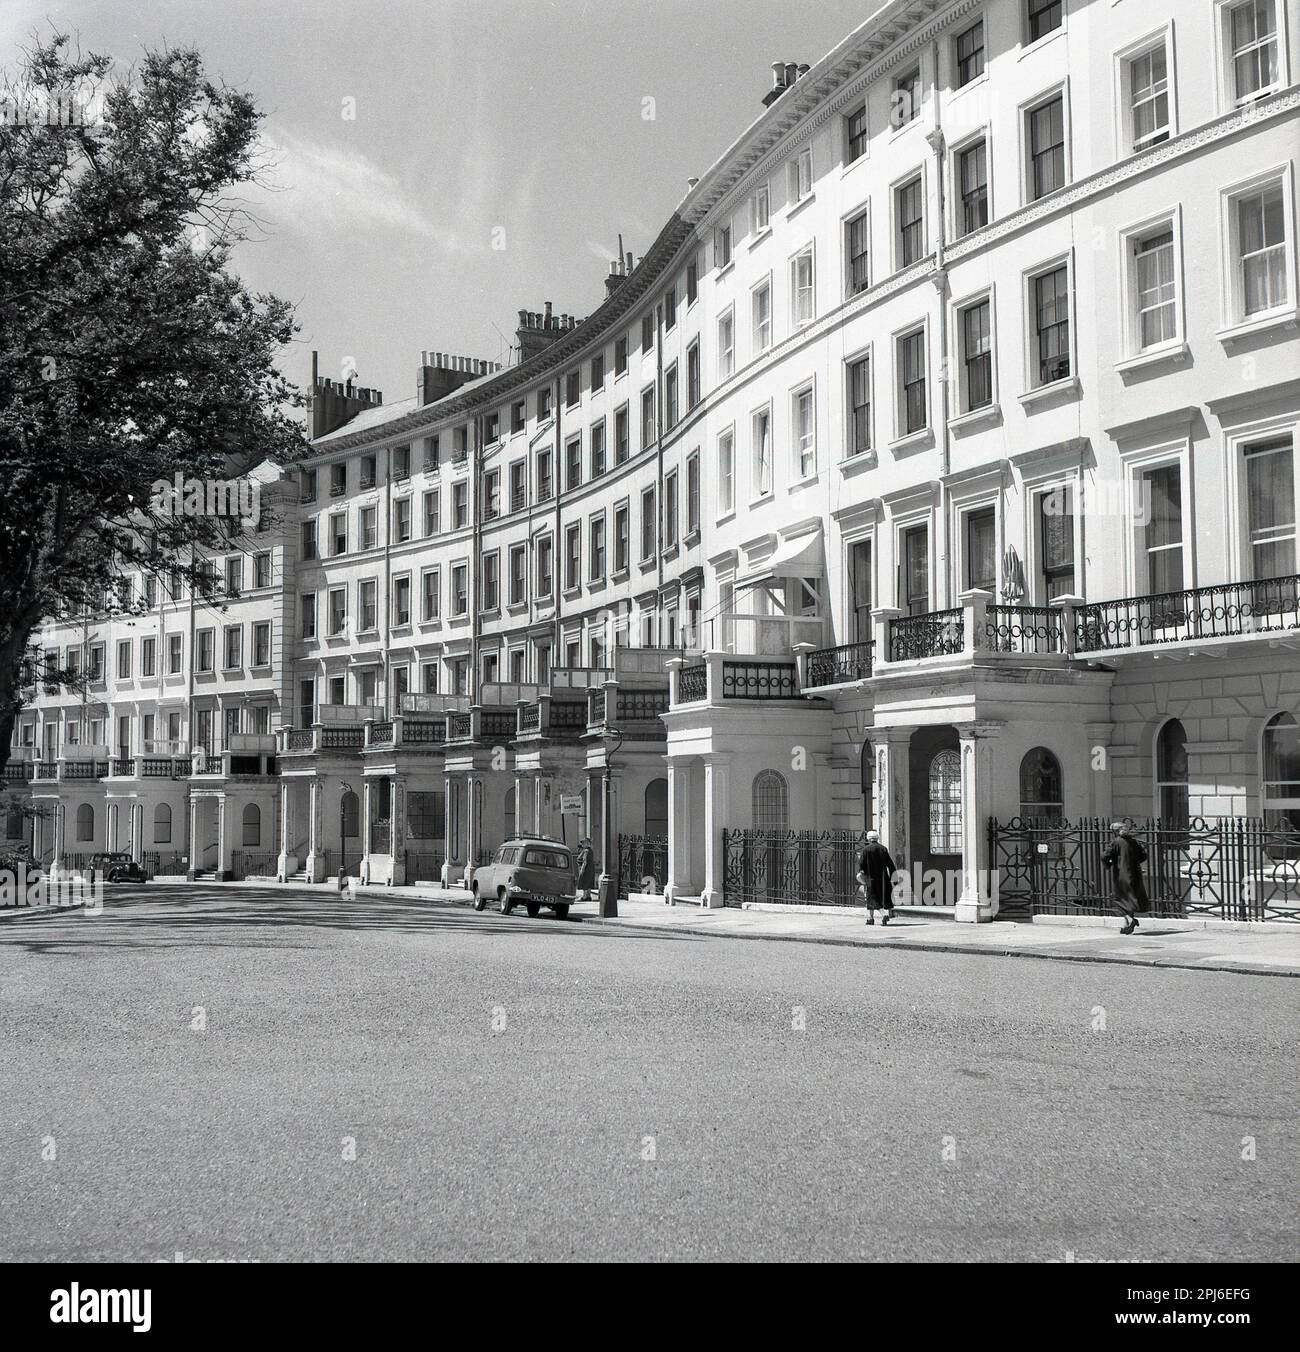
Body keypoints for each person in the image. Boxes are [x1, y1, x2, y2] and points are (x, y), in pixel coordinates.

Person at [1102, 821, 1150, 934]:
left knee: (1120, 899)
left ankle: (1130, 920)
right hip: (1135, 874)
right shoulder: (1133, 842)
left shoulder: (1116, 842)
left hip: (1121, 874)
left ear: (1116, 831)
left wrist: (1108, 865)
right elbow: (1143, 855)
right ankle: (1126, 926)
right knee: (1129, 898)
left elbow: (1105, 856)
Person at [856, 830, 896, 926]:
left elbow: (861, 865)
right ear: (877, 838)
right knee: (879, 897)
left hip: (870, 878)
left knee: (872, 898)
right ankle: (871, 918)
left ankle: (881, 915)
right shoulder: (883, 849)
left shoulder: (865, 850)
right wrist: (894, 877)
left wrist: (861, 874)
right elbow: (890, 864)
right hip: (883, 878)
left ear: (869, 839)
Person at [575, 837, 596, 904]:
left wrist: (582, 869)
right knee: (589, 882)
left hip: (586, 869)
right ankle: (588, 896)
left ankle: (584, 897)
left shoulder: (586, 851)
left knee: (585, 882)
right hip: (590, 869)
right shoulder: (590, 850)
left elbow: (585, 861)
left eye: (584, 843)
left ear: (588, 843)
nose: (582, 844)